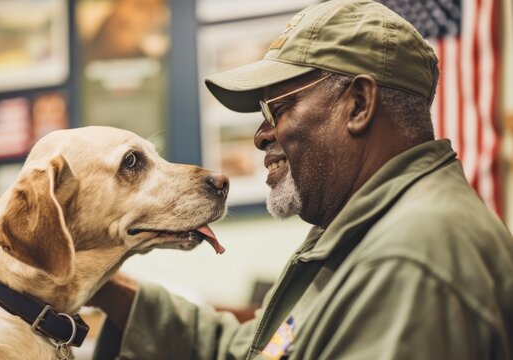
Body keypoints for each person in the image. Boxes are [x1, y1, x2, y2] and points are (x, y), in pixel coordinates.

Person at [88, 0, 513, 358]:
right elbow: (253, 349)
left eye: (277, 109)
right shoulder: (363, 231)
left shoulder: (410, 259)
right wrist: (102, 284)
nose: (260, 136)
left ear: (360, 104)